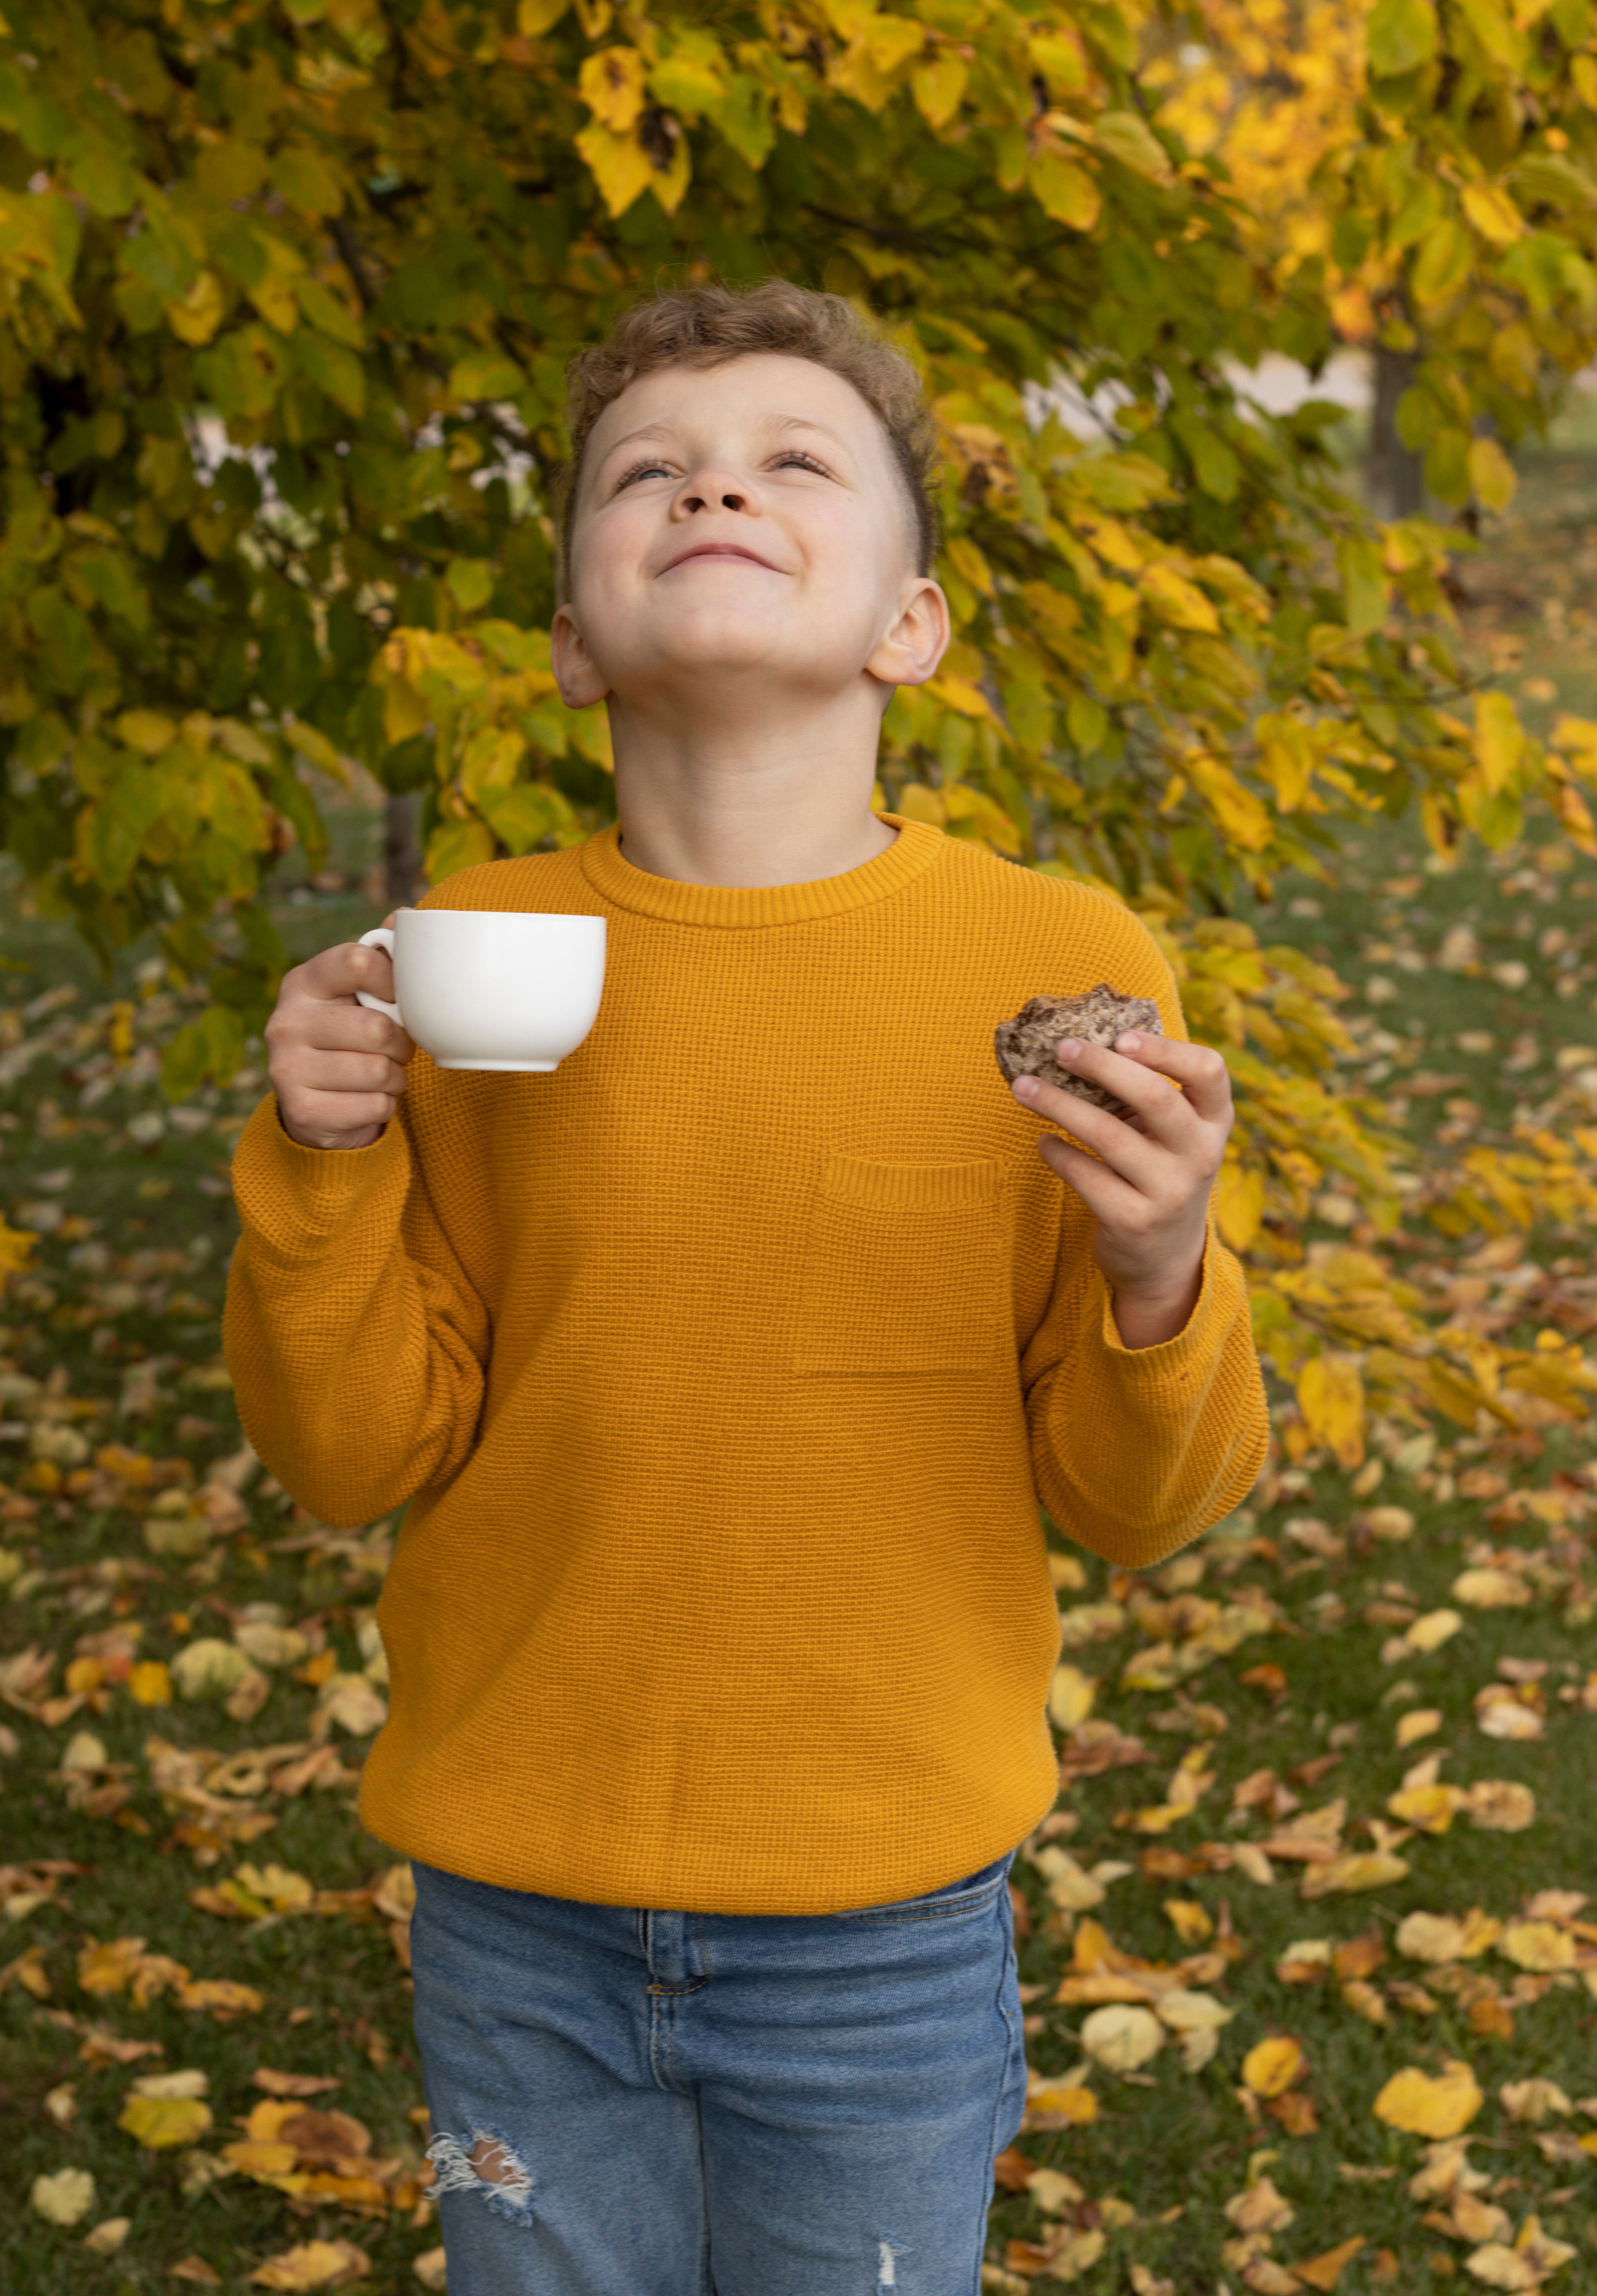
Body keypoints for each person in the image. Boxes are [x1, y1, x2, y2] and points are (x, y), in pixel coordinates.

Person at [225, 279, 1268, 2296]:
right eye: (650, 472)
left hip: (886, 1917)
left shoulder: (1049, 961)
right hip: (514, 1909)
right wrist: (323, 1157)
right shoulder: (469, 957)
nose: (714, 487)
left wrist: (1161, 1267)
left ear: (911, 624)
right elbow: (350, 1456)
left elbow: (1143, 1504)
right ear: (571, 638)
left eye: (795, 461)